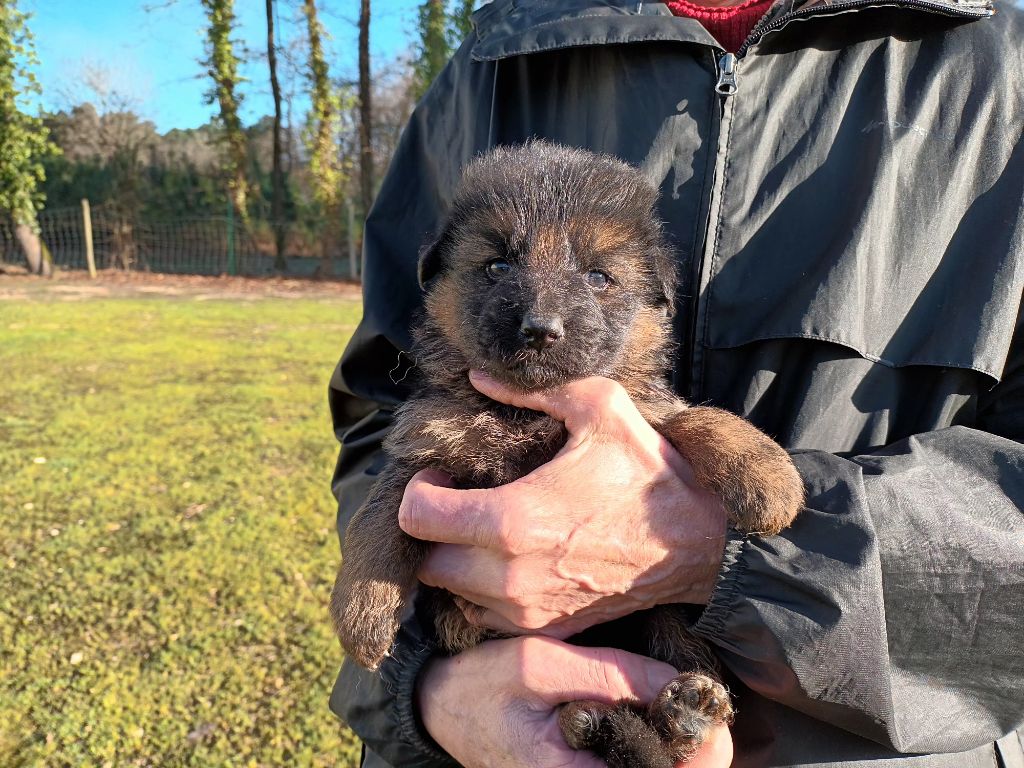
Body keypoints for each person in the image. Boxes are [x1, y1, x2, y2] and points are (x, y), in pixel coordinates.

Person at [327, 0, 1024, 765]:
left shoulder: (1001, 73)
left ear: (655, 292)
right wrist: (423, 686)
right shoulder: (490, 57)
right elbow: (381, 416)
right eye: (495, 269)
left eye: (597, 277)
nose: (540, 317)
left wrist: (717, 546)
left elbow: (683, 427)